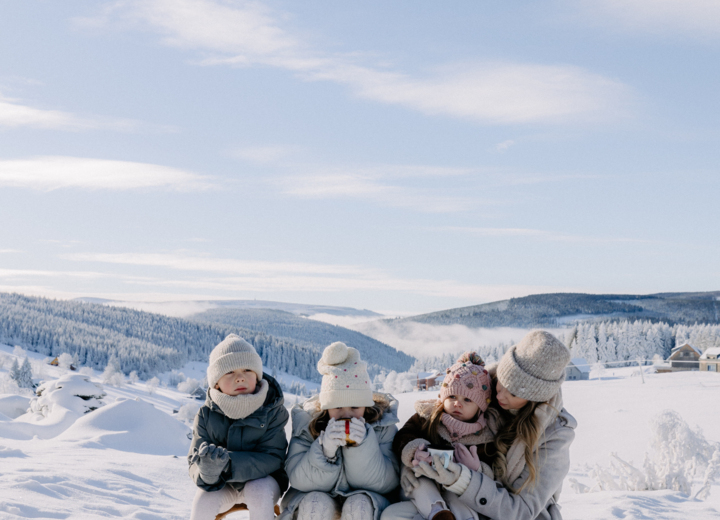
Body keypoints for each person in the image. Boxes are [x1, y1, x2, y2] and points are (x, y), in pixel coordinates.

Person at [407, 330, 576, 520]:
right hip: (461, 501)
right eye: (501, 383)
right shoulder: (484, 387)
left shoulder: (555, 436)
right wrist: (411, 462)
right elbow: (437, 415)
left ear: (535, 398)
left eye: (512, 393)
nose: (500, 395)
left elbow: (521, 511)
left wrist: (464, 479)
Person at [279, 341, 400, 520]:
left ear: (366, 405)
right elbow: (297, 478)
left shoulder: (383, 425)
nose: (347, 414)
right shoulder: (307, 423)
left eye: (355, 407)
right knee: (315, 504)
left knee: (358, 505)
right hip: (314, 496)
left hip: (369, 499)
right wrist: (324, 452)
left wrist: (362, 447)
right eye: (337, 407)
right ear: (326, 407)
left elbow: (388, 481)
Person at [382, 352, 499, 520]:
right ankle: (438, 513)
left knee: (461, 496)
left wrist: (478, 469)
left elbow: (495, 470)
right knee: (420, 485)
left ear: (480, 407)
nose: (457, 403)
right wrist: (415, 450)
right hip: (424, 481)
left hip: (458, 490)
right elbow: (404, 435)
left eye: (467, 400)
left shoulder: (486, 435)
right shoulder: (428, 417)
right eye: (452, 396)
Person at [188, 334, 289, 520]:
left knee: (257, 493)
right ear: (216, 383)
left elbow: (273, 458)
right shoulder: (206, 415)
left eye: (247, 370)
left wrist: (228, 464)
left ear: (257, 377)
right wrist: (207, 473)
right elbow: (195, 459)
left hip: (266, 480)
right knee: (203, 501)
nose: (240, 378)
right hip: (223, 483)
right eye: (230, 372)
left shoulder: (272, 409)